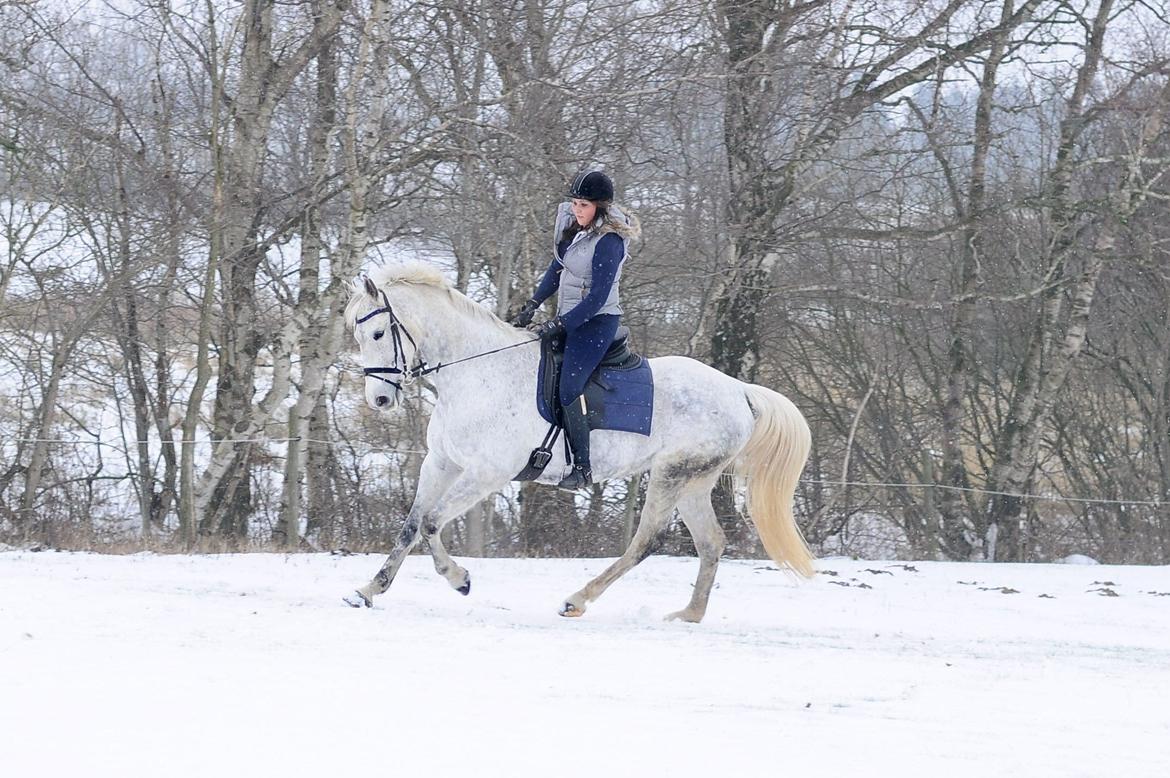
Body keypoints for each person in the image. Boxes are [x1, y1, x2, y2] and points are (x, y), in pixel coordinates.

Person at [510, 170, 640, 489]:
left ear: (600, 207)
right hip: (570, 316)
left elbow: (596, 299)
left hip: (597, 322)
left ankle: (582, 467)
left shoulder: (609, 241)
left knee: (569, 386)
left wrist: (559, 324)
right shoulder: (575, 230)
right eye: (575, 203)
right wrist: (532, 304)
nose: (577, 210)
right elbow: (556, 269)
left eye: (584, 205)